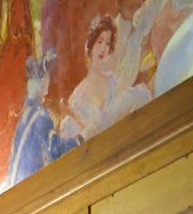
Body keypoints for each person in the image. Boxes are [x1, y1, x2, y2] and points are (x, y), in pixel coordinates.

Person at [63, 14, 154, 143]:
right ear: (91, 45)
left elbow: (134, 103)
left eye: (107, 43)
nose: (103, 48)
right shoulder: (78, 97)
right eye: (99, 42)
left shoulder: (114, 81)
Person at [7, 55, 80, 185]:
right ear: (41, 83)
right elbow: (57, 151)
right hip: (31, 188)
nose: (48, 80)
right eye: (46, 77)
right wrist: (80, 139)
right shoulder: (40, 116)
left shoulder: (26, 116)